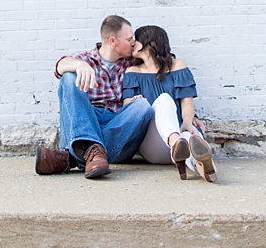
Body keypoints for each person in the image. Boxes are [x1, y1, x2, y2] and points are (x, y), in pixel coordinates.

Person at [35, 15, 155, 179]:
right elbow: (59, 66)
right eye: (129, 39)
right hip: (85, 119)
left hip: (117, 126)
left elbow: (163, 69)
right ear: (112, 41)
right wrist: (79, 65)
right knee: (69, 77)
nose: (133, 43)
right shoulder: (85, 59)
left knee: (143, 106)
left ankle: (72, 157)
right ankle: (92, 151)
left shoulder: (132, 63)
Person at [123, 25, 217, 182]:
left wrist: (188, 123)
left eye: (135, 40)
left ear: (148, 42)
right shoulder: (133, 72)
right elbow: (128, 108)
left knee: (190, 136)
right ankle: (176, 144)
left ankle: (204, 167)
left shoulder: (178, 66)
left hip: (180, 133)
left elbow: (187, 104)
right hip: (154, 143)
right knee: (164, 99)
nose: (132, 43)